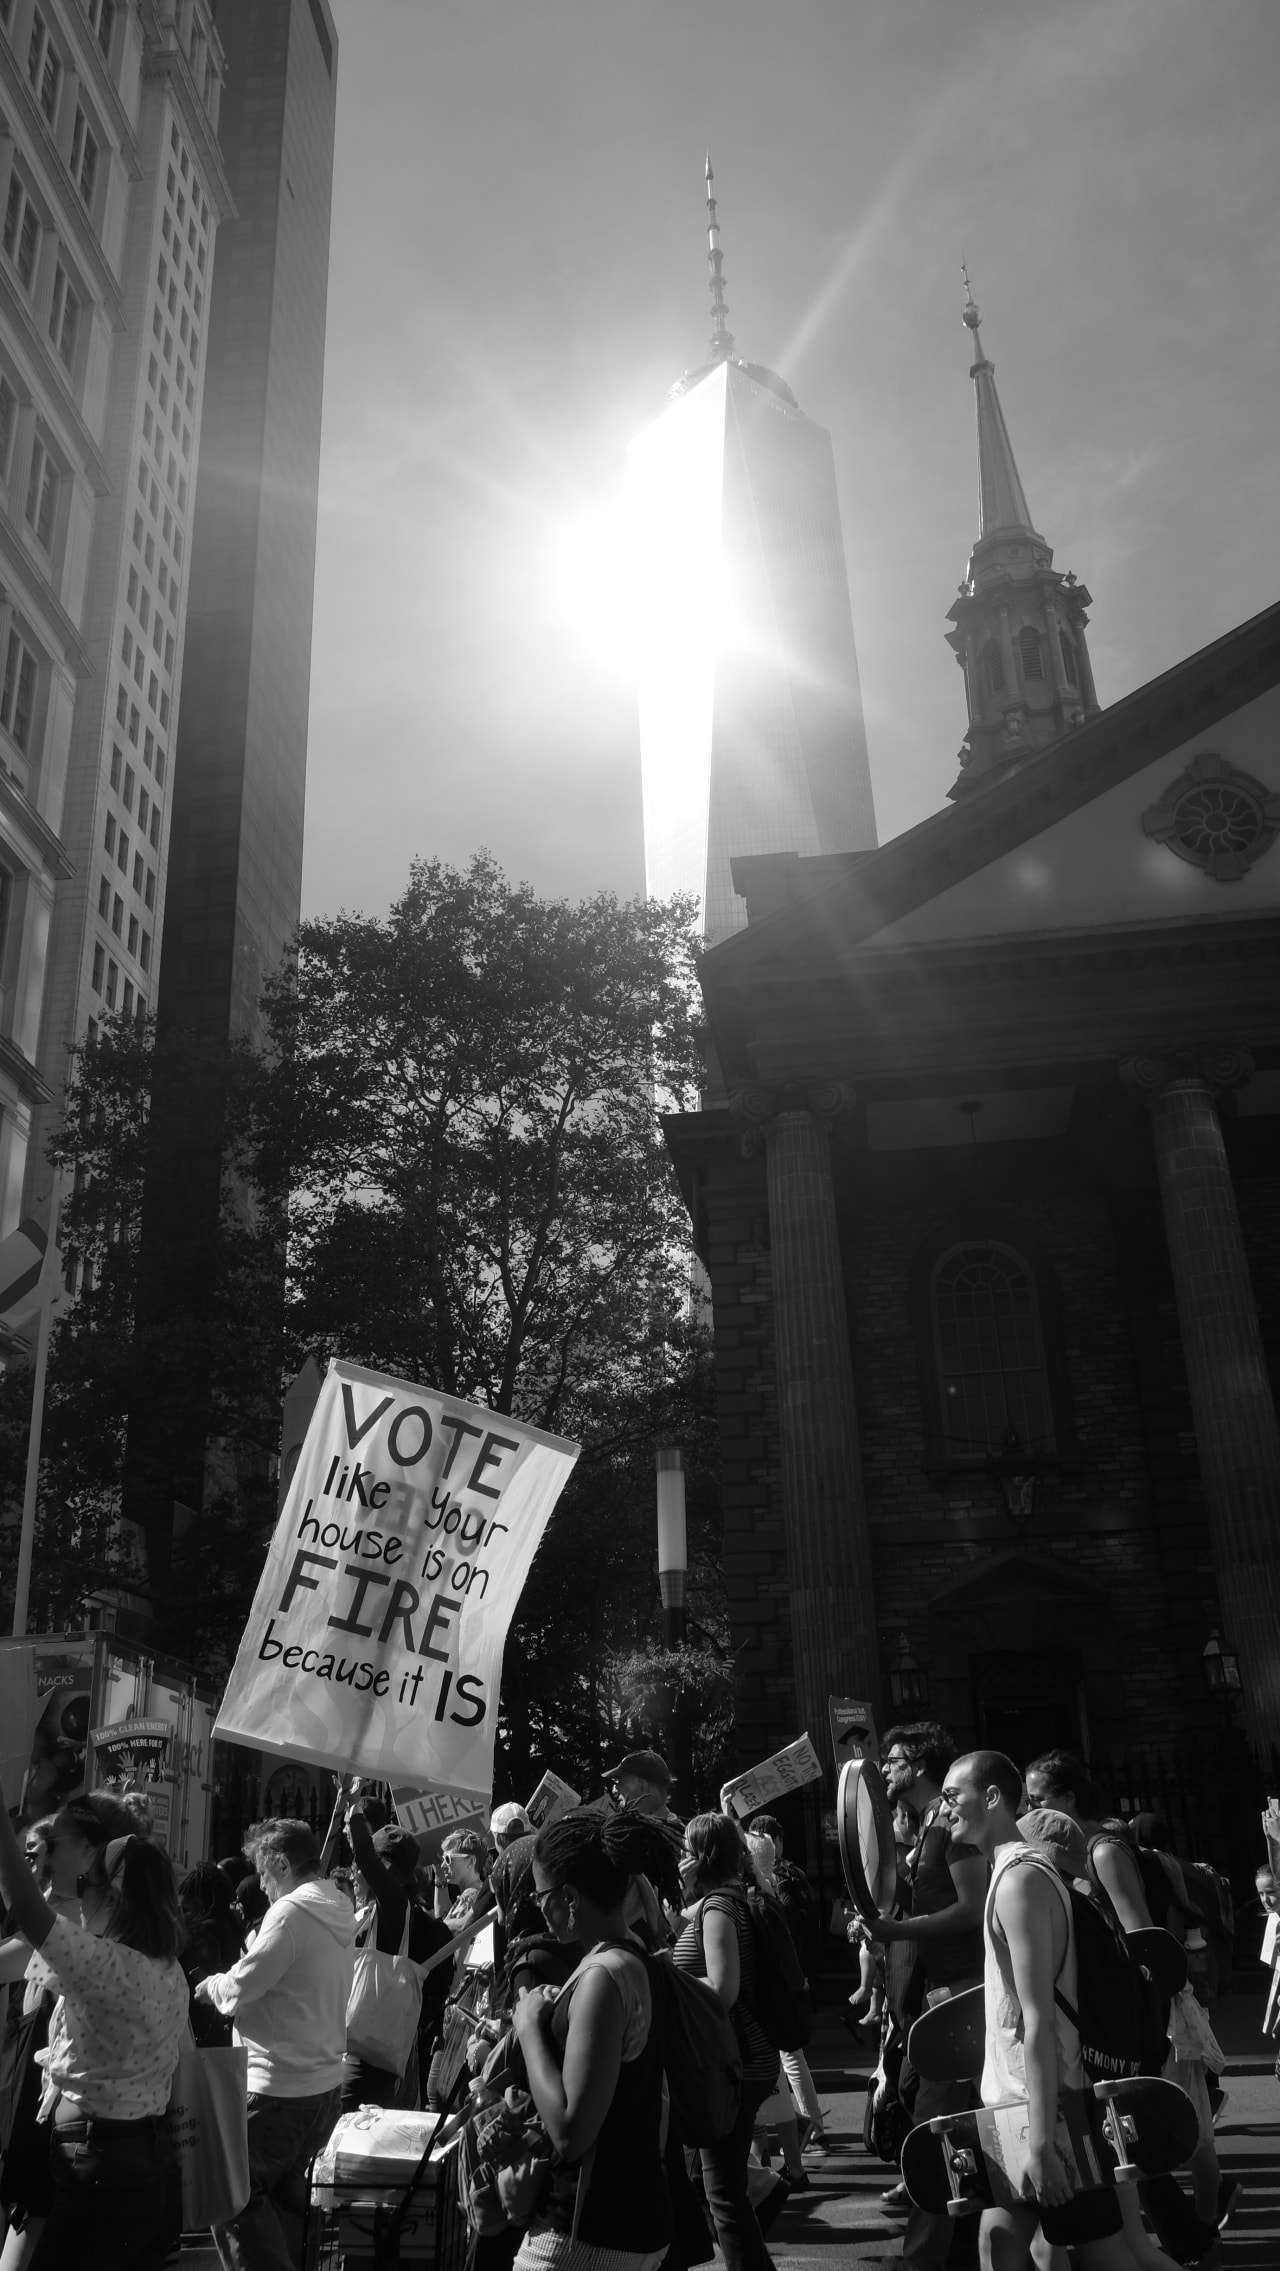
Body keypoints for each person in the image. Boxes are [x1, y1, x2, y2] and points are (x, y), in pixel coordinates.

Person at [1024, 1753, 1228, 2263]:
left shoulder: (1104, 1851)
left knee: (1164, 2130)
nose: (1031, 1809)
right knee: (1130, 2136)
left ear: (1069, 1800)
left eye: (1038, 1799)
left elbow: (1142, 1941)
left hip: (1139, 2010)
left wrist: (1138, 2022)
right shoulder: (1066, 1855)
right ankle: (1192, 2232)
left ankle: (1199, 2230)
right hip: (1113, 2010)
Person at [939, 1748, 1134, 2271]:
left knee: (1101, 2256)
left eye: (952, 1797)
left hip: (1041, 2109)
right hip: (1019, 2107)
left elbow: (1038, 2018)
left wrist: (1043, 2142)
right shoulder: (1012, 1873)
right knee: (999, 2244)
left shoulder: (1020, 1879)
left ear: (994, 1797)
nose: (943, 1810)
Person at [0, 1787, 187, 2271]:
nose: (77, 1894)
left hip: (99, 2170)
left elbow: (24, 1903)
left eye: (86, 1884)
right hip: (142, 2166)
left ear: (112, 1896)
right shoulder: (167, 1969)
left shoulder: (106, 1964)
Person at [512, 1809, 674, 2271]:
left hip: (587, 2232)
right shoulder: (633, 1959)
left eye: (541, 1895)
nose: (538, 1906)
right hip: (635, 2219)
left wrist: (528, 2029)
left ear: (569, 1897)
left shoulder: (603, 1977)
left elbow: (570, 2132)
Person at [194, 1816, 357, 2271]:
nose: (262, 1885)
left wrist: (211, 1986)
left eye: (264, 1873)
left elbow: (245, 1985)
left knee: (229, 2192)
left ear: (282, 1865)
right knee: (285, 2203)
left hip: (278, 2088)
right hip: (318, 2086)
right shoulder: (337, 1904)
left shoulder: (290, 1913)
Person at [862, 1721, 987, 2260]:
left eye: (893, 1760)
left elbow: (972, 1907)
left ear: (918, 1764)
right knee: (950, 2122)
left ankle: (924, 2256)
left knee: (937, 2126)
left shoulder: (951, 1825)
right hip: (943, 1990)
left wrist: (900, 1930)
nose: (885, 1769)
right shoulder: (930, 1821)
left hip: (963, 1990)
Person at [673, 1811, 780, 2271]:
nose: (680, 1856)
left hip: (736, 2061)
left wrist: (668, 1979)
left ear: (701, 1856)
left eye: (685, 1849)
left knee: (723, 2195)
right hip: (740, 2057)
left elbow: (723, 1990)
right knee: (711, 2184)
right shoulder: (723, 1900)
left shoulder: (718, 1907)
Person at [341, 1797, 450, 2110]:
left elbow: (365, 1857)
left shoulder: (395, 1906)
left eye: (365, 1866)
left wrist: (355, 1814)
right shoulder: (400, 1913)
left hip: (366, 2059)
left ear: (385, 1867)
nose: (356, 1872)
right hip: (386, 2054)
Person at [178, 1861, 244, 2048]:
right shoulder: (232, 1924)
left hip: (198, 2033)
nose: (182, 1915)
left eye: (185, 1909)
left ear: (198, 1902)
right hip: (224, 2031)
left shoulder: (200, 1932)